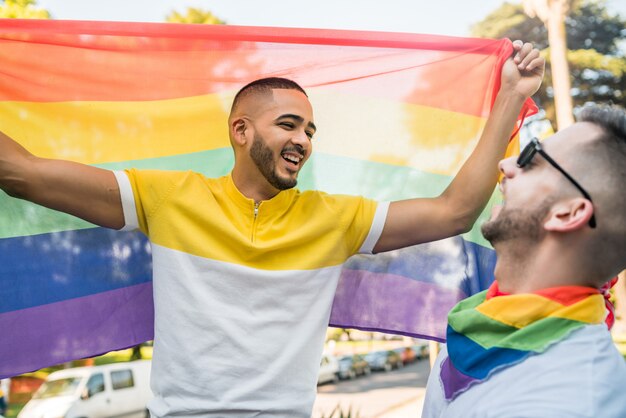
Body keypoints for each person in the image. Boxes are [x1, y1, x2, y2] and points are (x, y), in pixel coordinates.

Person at [0, 42, 543, 417]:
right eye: (288, 124)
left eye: (310, 130)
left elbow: (454, 212)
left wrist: (511, 97)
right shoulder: (167, 196)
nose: (304, 140)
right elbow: (21, 172)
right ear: (240, 130)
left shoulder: (334, 218)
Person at [422, 105, 626, 418]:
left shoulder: (571, 400)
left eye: (531, 158)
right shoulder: (481, 323)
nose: (505, 164)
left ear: (568, 213)